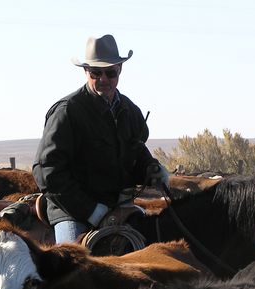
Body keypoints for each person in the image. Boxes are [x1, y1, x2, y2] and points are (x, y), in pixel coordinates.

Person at [32, 34, 170, 244]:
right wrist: (92, 211)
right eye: (96, 72)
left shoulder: (130, 111)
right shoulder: (67, 112)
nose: (103, 79)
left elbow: (136, 152)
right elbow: (48, 171)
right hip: (73, 211)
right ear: (86, 71)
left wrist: (151, 169)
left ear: (120, 70)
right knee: (75, 267)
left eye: (110, 72)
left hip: (118, 207)